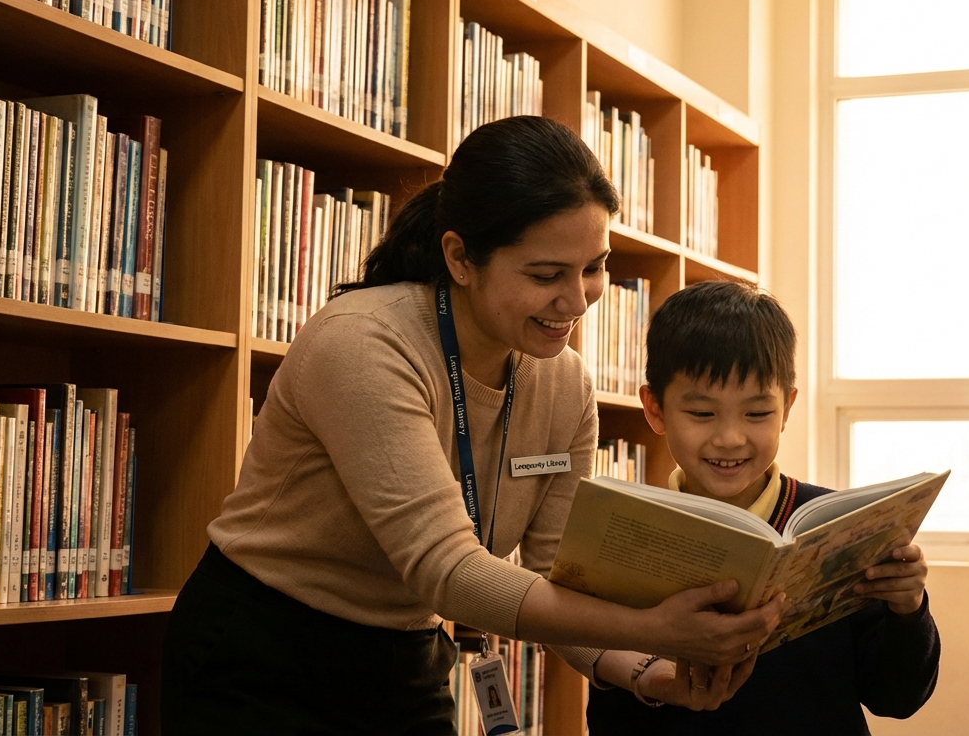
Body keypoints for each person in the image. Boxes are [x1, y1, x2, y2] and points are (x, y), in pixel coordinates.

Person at [161, 117, 783, 735]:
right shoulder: (363, 343)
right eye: (546, 275)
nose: (578, 299)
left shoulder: (565, 386)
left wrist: (649, 672)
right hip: (263, 650)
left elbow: (559, 579)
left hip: (408, 654)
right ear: (460, 257)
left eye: (594, 267)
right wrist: (655, 628)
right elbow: (448, 570)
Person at [586, 280, 941, 735]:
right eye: (701, 414)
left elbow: (897, 697)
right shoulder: (623, 535)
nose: (730, 438)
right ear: (655, 409)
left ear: (787, 408)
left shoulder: (840, 530)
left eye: (757, 414)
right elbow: (611, 708)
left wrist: (908, 609)